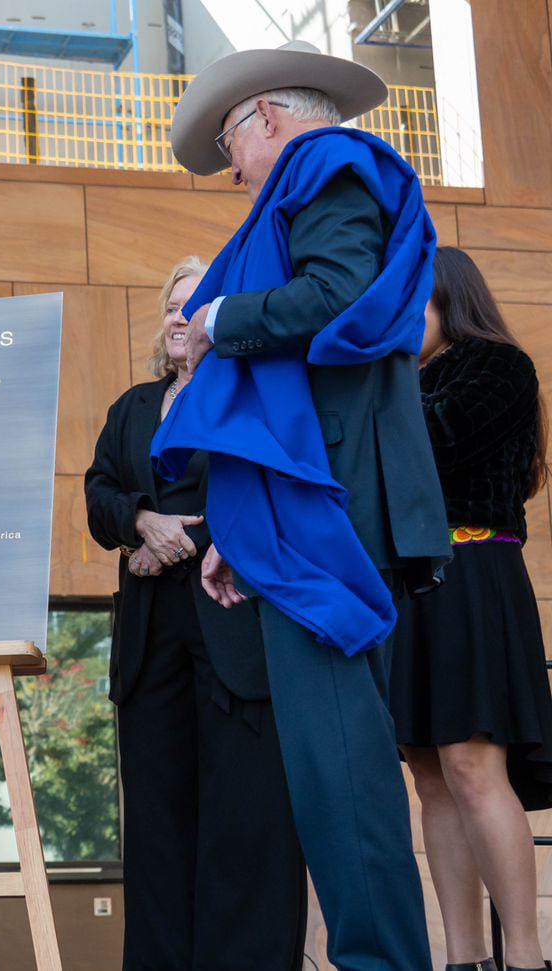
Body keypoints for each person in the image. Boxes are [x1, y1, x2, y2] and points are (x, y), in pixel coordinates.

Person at [154, 42, 451, 970]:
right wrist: (246, 535)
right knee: (337, 779)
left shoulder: (324, 162)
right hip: (319, 505)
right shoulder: (315, 171)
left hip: (336, 510)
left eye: (232, 147)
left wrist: (215, 319)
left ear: (269, 120)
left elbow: (337, 295)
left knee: (345, 780)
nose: (234, 174)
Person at [85, 256, 305, 971]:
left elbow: (276, 491)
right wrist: (141, 520)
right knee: (157, 824)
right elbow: (98, 496)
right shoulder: (131, 408)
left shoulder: (252, 395)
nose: (183, 315)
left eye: (199, 302)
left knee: (244, 818)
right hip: (151, 641)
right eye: (174, 304)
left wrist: (185, 541)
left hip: (232, 627)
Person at [391, 246, 552, 971]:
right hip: (409, 586)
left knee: (473, 763)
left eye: (409, 304)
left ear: (446, 298)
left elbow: (432, 443)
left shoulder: (498, 366)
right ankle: (461, 957)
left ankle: (523, 956)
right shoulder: (401, 380)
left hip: (473, 571)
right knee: (429, 771)